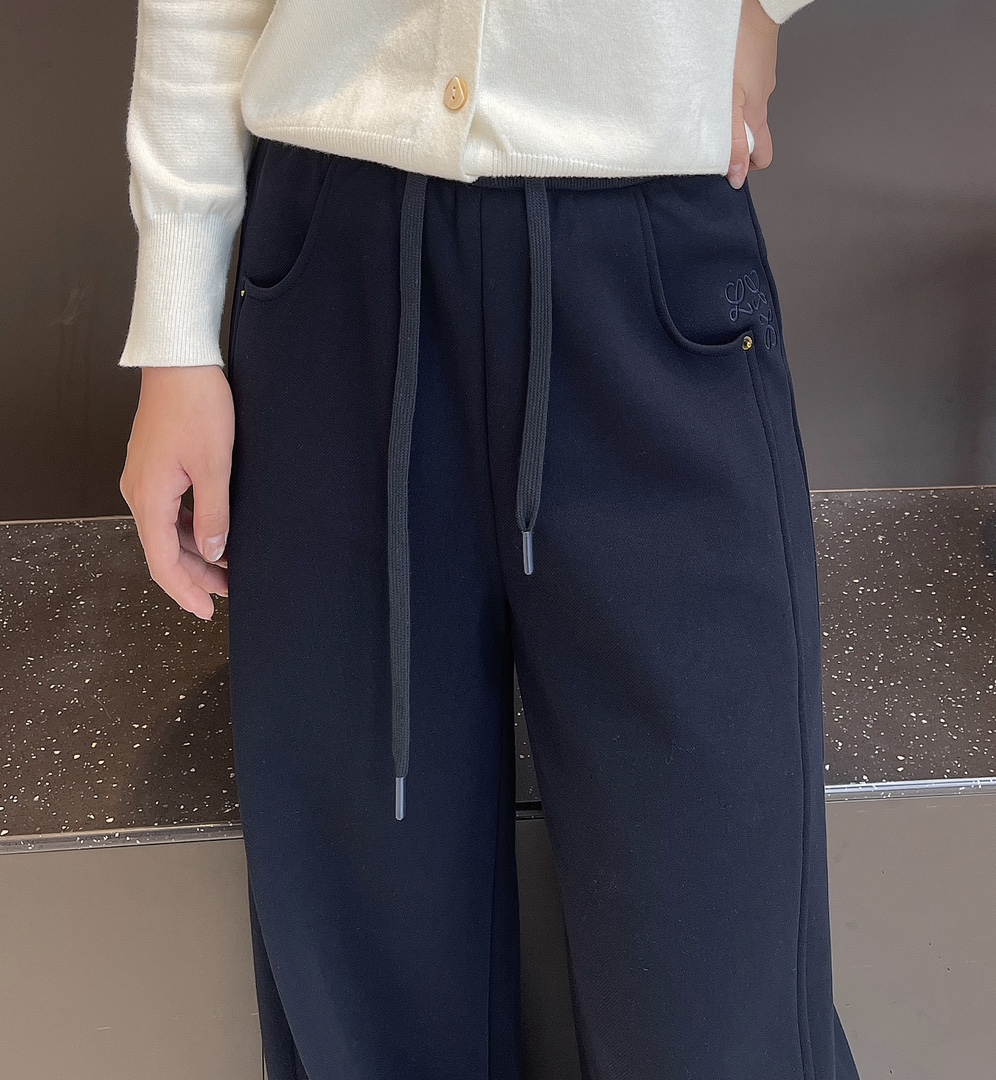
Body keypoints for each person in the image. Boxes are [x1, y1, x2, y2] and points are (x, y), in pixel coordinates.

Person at [117, 0, 862, 1077]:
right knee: (369, 973)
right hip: (336, 273)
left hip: (645, 255)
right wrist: (177, 332)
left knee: (721, 967)